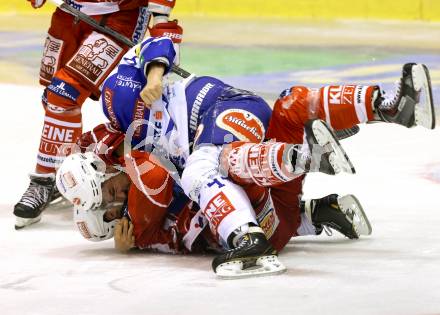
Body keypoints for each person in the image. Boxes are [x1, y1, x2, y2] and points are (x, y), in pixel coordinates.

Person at [14, 0, 183, 229]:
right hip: (68, 13)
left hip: (117, 19)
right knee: (52, 100)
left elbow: (160, 12)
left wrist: (165, 55)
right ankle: (62, 169)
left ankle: (43, 180)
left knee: (63, 94)